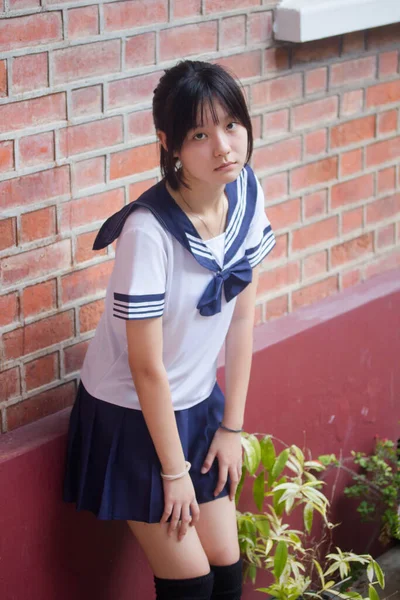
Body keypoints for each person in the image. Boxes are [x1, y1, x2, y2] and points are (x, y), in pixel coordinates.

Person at [63, 59, 275, 600]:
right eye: (200, 134)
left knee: (228, 570)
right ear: (169, 144)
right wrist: (174, 472)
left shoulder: (245, 194)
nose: (223, 147)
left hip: (197, 404)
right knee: (194, 586)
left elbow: (243, 316)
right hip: (134, 415)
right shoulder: (148, 232)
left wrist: (232, 428)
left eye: (231, 125)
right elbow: (145, 366)